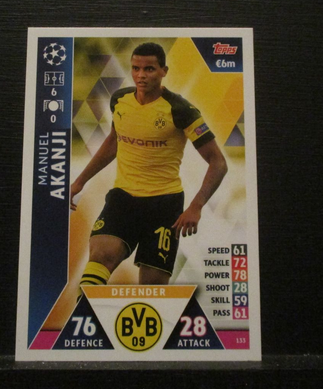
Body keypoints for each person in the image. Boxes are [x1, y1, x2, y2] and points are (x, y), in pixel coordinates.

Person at [70, 42, 227, 293]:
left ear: (164, 71)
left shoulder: (182, 110)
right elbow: (114, 142)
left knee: (152, 288)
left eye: (149, 69)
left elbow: (218, 162)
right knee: (101, 255)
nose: (141, 75)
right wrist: (79, 182)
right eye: (136, 68)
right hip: (123, 199)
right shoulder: (120, 100)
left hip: (164, 206)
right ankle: (87, 312)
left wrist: (196, 206)